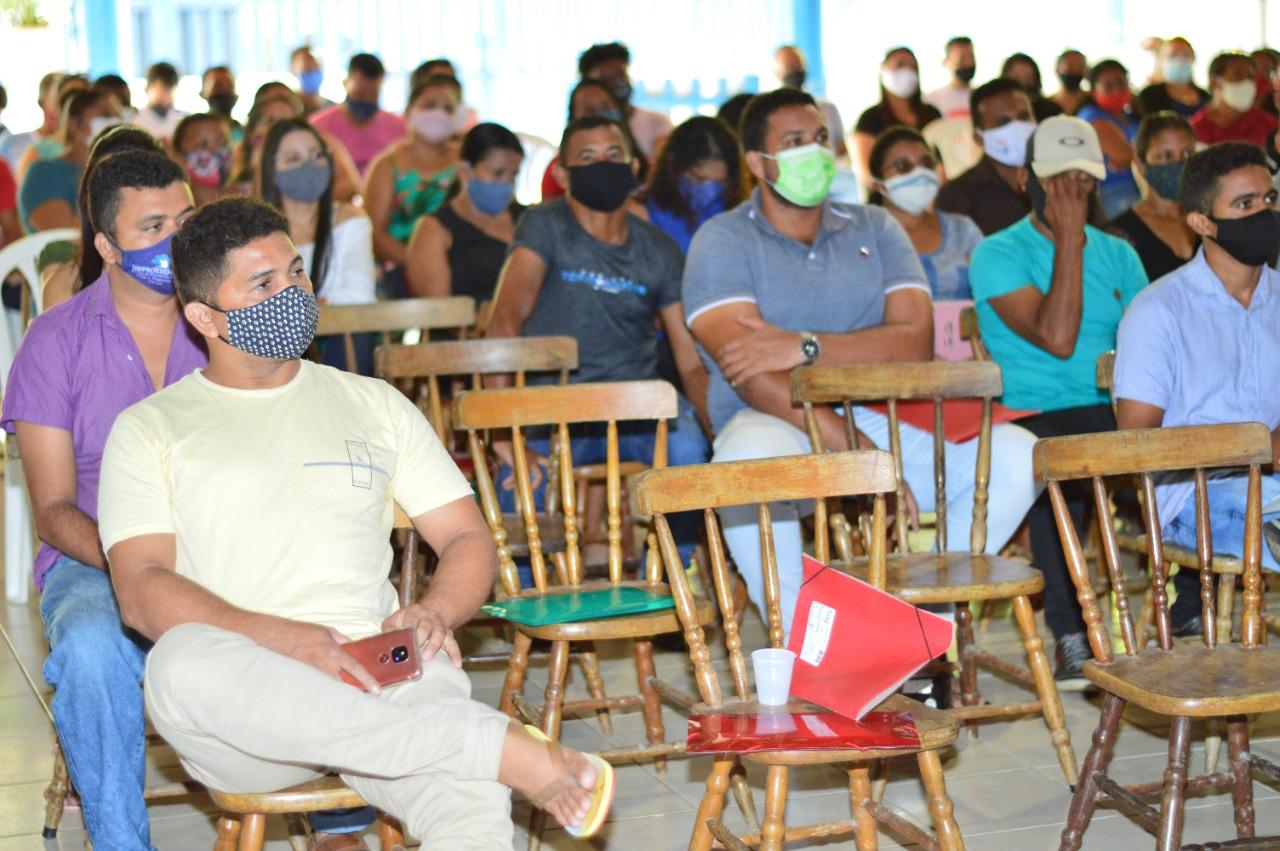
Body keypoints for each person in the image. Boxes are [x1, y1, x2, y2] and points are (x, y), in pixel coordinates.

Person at [99, 196, 614, 849]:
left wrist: (436, 610)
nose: (291, 292)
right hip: (247, 699)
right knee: (178, 662)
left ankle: (480, 754)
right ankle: (494, 743)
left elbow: (465, 536)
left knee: (469, 801)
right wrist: (290, 639)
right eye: (263, 284)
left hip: (379, 669)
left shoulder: (373, 403)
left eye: (296, 273)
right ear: (204, 315)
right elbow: (141, 588)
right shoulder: (150, 428)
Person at [682, 88, 1039, 636]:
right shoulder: (723, 238)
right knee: (746, 464)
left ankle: (915, 627)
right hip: (777, 416)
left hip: (887, 407)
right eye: (794, 142)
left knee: (1020, 454)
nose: (814, 152)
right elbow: (751, 371)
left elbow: (913, 341)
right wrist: (857, 450)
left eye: (821, 138)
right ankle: (807, 641)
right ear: (757, 163)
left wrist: (804, 345)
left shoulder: (875, 226)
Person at [1, 148, 204, 851]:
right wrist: (138, 570)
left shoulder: (229, 321)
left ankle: (335, 817)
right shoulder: (54, 340)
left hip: (222, 544)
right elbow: (53, 508)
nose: (175, 240)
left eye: (186, 219)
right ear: (108, 247)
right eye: (153, 227)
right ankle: (121, 842)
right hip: (94, 557)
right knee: (91, 646)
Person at [969, 115, 1148, 686]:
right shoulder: (997, 253)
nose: (1074, 192)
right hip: (1029, 412)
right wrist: (1069, 240)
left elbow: (1148, 344)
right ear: (1028, 179)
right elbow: (1057, 336)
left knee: (1187, 452)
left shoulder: (1119, 253)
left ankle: (1188, 610)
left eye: (1085, 180)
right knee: (1053, 464)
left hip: (1109, 407)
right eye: (1059, 179)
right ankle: (1072, 631)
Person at [486, 115, 711, 540]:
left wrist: (715, 427)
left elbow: (690, 359)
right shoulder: (544, 226)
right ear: (563, 174)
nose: (602, 165)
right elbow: (505, 321)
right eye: (587, 157)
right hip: (550, 408)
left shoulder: (659, 249)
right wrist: (503, 434)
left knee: (688, 450)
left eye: (614, 155)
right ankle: (529, 599)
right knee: (518, 493)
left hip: (635, 408)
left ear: (635, 167)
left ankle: (670, 579)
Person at [1115, 142, 1280, 632]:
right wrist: (1253, 449)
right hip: (1193, 496)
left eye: (1270, 199)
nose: (1265, 213)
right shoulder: (1160, 310)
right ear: (1203, 223)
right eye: (1245, 205)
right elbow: (1134, 444)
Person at [261, 118, 375, 308]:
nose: (308, 165)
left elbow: (360, 294)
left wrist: (294, 314)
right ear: (271, 170)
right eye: (294, 159)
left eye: (317, 155)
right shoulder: (255, 231)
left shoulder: (349, 220)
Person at [406, 122, 523, 304]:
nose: (506, 184)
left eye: (513, 175)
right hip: (465, 331)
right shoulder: (434, 229)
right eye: (497, 173)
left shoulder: (528, 219)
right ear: (465, 170)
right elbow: (440, 314)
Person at [364, 75, 462, 283]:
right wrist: (422, 264)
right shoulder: (386, 166)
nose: (439, 113)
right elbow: (374, 233)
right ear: (409, 113)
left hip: (462, 267)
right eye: (430, 105)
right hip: (401, 269)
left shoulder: (466, 162)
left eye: (448, 109)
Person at [869, 126, 981, 301]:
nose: (919, 173)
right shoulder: (863, 236)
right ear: (879, 185)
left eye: (927, 163)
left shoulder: (962, 230)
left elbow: (992, 288)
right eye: (903, 167)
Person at [633, 115, 748, 253]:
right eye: (699, 179)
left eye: (719, 182)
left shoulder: (740, 217)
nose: (710, 190)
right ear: (673, 166)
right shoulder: (641, 213)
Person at [1106, 111, 1199, 281]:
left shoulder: (1207, 220)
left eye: (1186, 154)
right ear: (1141, 166)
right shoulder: (1120, 235)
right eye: (1166, 156)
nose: (1179, 164)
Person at [936, 77, 1035, 235]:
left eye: (1023, 117)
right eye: (1003, 123)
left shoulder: (1056, 181)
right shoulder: (957, 197)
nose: (1017, 128)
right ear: (979, 137)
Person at [19, 88, 121, 232]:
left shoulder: (118, 170)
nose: (115, 122)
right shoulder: (44, 173)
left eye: (118, 116)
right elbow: (63, 238)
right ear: (75, 124)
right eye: (105, 115)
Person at [234, 88, 361, 204]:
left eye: (288, 122)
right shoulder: (241, 158)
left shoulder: (322, 146)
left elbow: (349, 186)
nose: (279, 129)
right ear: (253, 134)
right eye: (271, 121)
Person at [541, 79, 645, 202]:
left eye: (605, 107)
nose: (600, 115)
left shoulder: (647, 167)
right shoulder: (559, 170)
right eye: (590, 110)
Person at [852, 47, 942, 185]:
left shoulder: (932, 114)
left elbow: (944, 161)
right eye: (900, 65)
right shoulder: (869, 119)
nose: (907, 71)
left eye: (913, 67)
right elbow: (866, 173)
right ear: (883, 71)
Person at [310, 53, 405, 175]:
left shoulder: (398, 128)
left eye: (372, 96)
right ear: (345, 83)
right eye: (360, 94)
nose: (365, 100)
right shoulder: (320, 126)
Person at [578, 41, 673, 159]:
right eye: (607, 79)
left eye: (621, 75)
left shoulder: (657, 122)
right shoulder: (579, 131)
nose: (618, 83)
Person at [1078, 59, 1141, 219]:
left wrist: (1136, 160)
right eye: (1108, 86)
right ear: (1093, 91)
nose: (1116, 90)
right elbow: (1124, 154)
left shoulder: (1134, 117)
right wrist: (1138, 158)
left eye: (1121, 83)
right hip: (1112, 193)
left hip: (1144, 190)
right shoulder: (1091, 115)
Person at [774, 44, 848, 159]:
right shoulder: (771, 113)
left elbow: (842, 150)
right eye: (788, 67)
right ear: (777, 72)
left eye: (798, 65)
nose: (794, 71)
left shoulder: (828, 108)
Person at [1191, 52, 1279, 147]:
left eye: (1250, 77)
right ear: (1214, 82)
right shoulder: (1196, 131)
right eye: (1238, 75)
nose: (1246, 83)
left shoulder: (1269, 125)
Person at [0, 72, 63, 171]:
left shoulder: (79, 151)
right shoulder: (10, 143)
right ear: (42, 102)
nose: (62, 111)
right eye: (58, 102)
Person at [1138, 37, 1210, 119]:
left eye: (1185, 55)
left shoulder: (1206, 98)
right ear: (1161, 61)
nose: (1180, 60)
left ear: (1193, 58)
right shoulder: (1149, 96)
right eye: (1173, 56)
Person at [172, 113, 234, 208]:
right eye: (201, 146)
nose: (215, 151)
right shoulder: (169, 204)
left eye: (222, 143)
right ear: (177, 155)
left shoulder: (250, 196)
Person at [924, 36, 977, 118]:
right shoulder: (932, 100)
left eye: (971, 57)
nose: (968, 63)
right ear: (946, 62)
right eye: (961, 58)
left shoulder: (984, 97)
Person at [1001, 53, 1063, 121]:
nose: (1022, 83)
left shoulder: (1050, 110)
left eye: (1027, 77)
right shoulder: (997, 110)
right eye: (1017, 77)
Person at [134, 61, 187, 141]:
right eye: (161, 88)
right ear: (147, 88)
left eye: (169, 89)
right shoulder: (135, 119)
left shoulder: (182, 119)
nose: (166, 95)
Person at [291, 44, 332, 115]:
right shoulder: (289, 107)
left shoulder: (332, 108)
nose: (312, 72)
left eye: (316, 67)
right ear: (293, 70)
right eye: (307, 69)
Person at [1050, 49, 1091, 115]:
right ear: (1057, 68)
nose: (1075, 70)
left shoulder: (1091, 102)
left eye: (1080, 66)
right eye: (1070, 65)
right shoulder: (1047, 104)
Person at [201, 65, 239, 130]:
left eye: (229, 86)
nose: (224, 91)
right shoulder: (197, 129)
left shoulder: (245, 132)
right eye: (218, 86)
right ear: (203, 93)